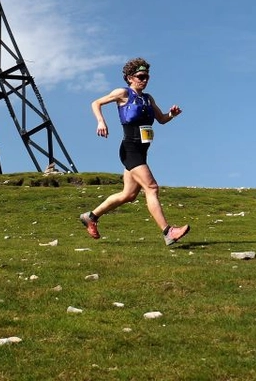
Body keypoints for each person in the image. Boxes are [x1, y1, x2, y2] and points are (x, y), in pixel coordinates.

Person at [79, 58, 190, 246]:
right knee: (152, 187)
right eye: (140, 76)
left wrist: (172, 114)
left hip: (142, 150)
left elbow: (161, 119)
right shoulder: (122, 93)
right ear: (130, 78)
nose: (144, 80)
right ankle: (168, 231)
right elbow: (96, 103)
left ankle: (91, 216)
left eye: (147, 76)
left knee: (128, 195)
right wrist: (100, 121)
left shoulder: (148, 98)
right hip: (130, 149)